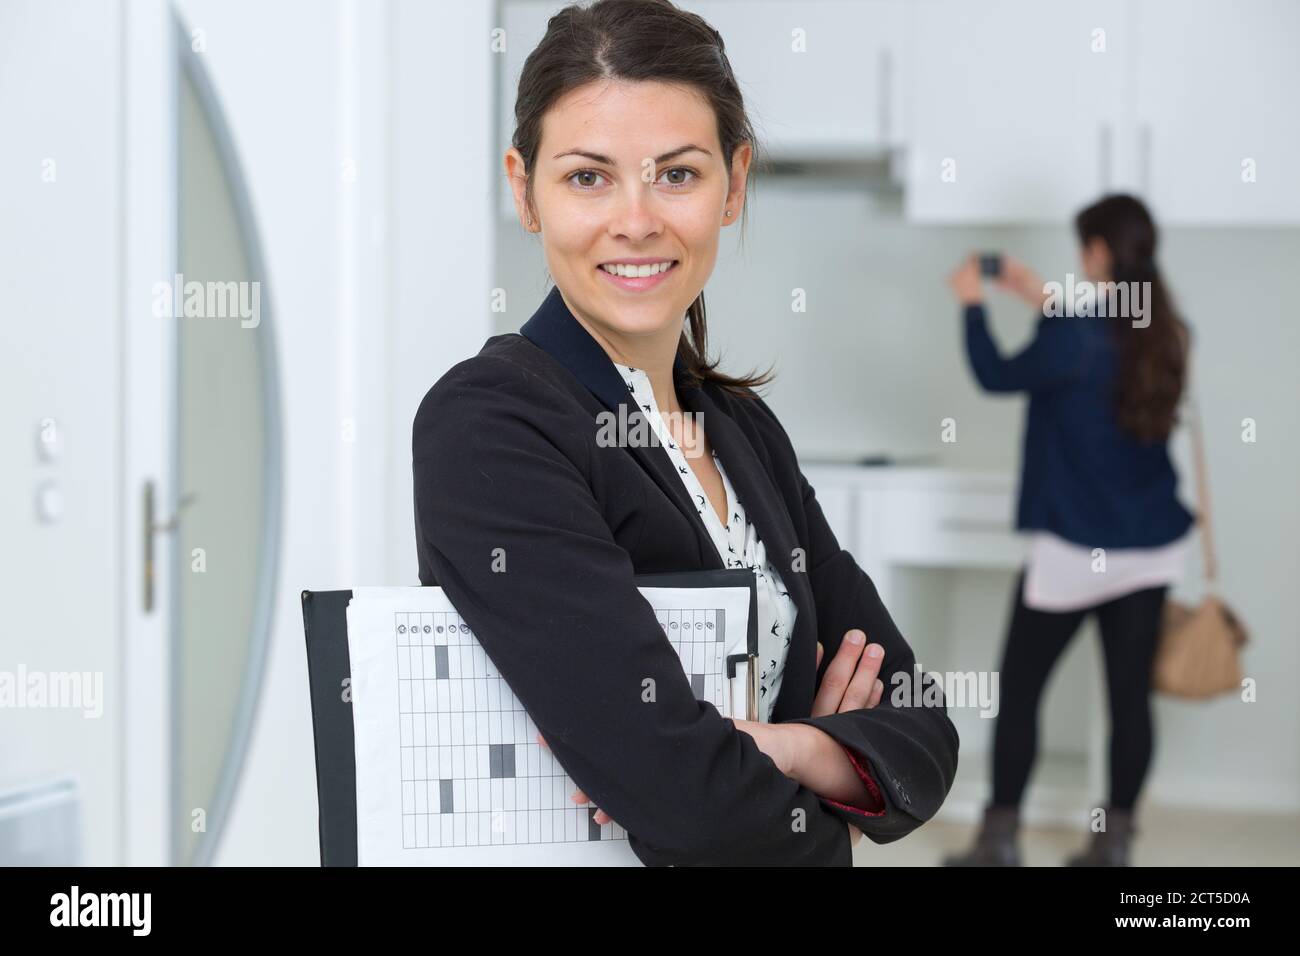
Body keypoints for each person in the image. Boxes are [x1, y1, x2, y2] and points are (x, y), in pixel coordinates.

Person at [412, 0, 958, 866]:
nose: (637, 220)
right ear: (525, 190)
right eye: (589, 177)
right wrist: (831, 761)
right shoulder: (491, 425)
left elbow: (926, 729)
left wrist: (786, 748)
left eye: (678, 174)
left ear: (733, 185)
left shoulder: (742, 432)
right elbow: (692, 803)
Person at [942, 194, 1195, 866]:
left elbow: (997, 374)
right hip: (1152, 545)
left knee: (1020, 691)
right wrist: (1043, 297)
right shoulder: (1164, 330)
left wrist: (972, 301)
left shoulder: (1074, 337)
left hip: (1075, 548)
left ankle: (998, 840)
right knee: (1129, 700)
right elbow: (1093, 348)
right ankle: (1114, 844)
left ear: (1100, 253)